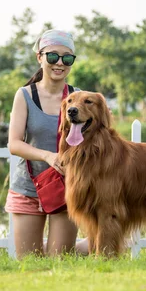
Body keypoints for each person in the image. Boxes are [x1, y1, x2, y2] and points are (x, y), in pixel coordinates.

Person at [5, 29, 88, 258]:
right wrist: (48, 156)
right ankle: (92, 245)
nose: (59, 63)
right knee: (29, 261)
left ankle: (94, 244)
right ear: (39, 57)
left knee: (59, 259)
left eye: (67, 58)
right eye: (53, 56)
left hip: (67, 187)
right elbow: (14, 144)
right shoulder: (25, 95)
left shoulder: (79, 97)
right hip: (28, 188)